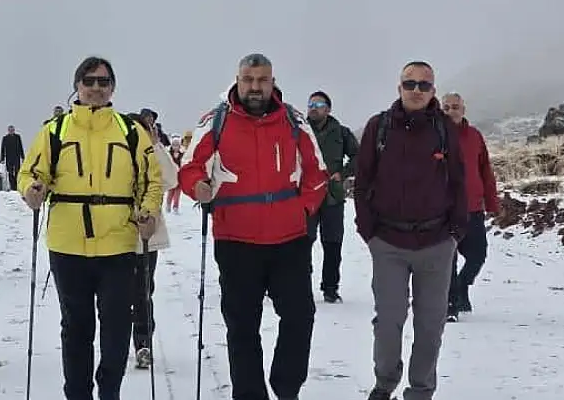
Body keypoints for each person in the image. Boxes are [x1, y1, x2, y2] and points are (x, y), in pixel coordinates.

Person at [179, 53, 328, 400]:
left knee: (300, 317)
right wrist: (197, 186)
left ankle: (286, 386)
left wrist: (301, 210)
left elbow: (317, 173)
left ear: (272, 82)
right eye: (249, 80)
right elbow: (190, 166)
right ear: (237, 80)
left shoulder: (294, 120)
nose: (255, 87)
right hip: (236, 241)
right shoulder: (215, 121)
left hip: (288, 241)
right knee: (242, 327)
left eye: (262, 80)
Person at [19, 57, 163, 400]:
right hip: (68, 244)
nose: (96, 88)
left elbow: (151, 181)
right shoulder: (55, 131)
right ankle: (78, 394)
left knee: (116, 329)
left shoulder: (130, 131)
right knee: (76, 327)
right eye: (89, 81)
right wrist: (32, 190)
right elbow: (30, 173)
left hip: (118, 243)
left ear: (112, 87)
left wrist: (148, 211)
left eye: (103, 81)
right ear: (77, 86)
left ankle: (109, 390)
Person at [353, 61, 466, 400]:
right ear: (399, 86)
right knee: (388, 322)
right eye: (410, 83)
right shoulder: (379, 127)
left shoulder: (445, 128)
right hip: (388, 242)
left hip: (436, 242)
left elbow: (460, 182)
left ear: (433, 90)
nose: (416, 90)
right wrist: (367, 229)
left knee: (430, 326)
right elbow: (363, 181)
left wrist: (456, 232)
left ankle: (420, 389)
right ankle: (384, 382)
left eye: (424, 85)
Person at [441, 92, 499, 321]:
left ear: (463, 110)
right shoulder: (434, 135)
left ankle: (463, 286)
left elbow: (485, 169)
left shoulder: (474, 135)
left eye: (455, 106)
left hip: (473, 207)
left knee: (478, 255)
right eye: (446, 107)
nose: (451, 111)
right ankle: (450, 306)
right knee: (449, 258)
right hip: (443, 208)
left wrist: (491, 201)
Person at [126, 112, 178, 369]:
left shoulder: (154, 154)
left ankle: (143, 343)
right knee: (116, 296)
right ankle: (116, 342)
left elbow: (171, 178)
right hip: (116, 237)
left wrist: (156, 146)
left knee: (143, 293)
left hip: (148, 238)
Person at [305, 91, 359, 303]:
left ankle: (330, 288)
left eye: (318, 104)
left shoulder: (341, 132)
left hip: (332, 196)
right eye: (311, 104)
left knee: (333, 244)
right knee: (302, 244)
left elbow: (358, 155)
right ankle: (300, 285)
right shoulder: (300, 130)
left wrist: (343, 173)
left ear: (328, 109)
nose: (313, 107)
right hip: (306, 195)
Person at [0, 124, 24, 191]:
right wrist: (2, 158)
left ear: (14, 130)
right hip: (9, 157)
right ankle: (12, 186)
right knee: (10, 172)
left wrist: (23, 157)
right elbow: (2, 149)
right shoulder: (5, 138)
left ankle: (17, 186)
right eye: (10, 130)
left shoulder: (17, 137)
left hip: (16, 157)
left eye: (12, 130)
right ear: (8, 131)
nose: (11, 131)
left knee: (17, 171)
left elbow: (20, 147)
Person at [165, 136, 184, 214]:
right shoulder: (169, 154)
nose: (175, 146)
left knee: (177, 192)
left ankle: (175, 207)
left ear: (179, 146)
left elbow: (184, 163)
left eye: (177, 145)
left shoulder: (182, 154)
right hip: (172, 175)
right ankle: (168, 204)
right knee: (171, 191)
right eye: (174, 145)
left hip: (179, 176)